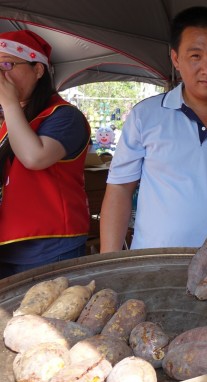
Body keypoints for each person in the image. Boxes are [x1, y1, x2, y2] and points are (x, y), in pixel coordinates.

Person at [100, 7, 207, 252]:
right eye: (195, 56)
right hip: (151, 263)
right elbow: (119, 189)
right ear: (176, 59)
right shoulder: (146, 116)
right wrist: (110, 261)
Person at [0, 30, 91, 275]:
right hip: (7, 245)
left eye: (7, 64)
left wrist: (8, 102)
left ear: (38, 70)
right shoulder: (9, 119)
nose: (1, 75)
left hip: (50, 246)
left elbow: (34, 157)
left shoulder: (65, 116)